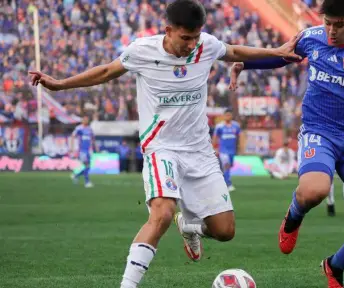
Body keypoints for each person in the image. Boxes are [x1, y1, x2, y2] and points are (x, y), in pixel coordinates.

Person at [29, 1, 301, 287]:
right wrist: (59, 84)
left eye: (196, 37)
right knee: (161, 215)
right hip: (162, 148)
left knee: (225, 230)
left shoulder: (205, 45)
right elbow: (106, 72)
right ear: (168, 31)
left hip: (200, 151)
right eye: (185, 38)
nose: (191, 44)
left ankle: (189, 225)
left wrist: (275, 52)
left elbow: (233, 51)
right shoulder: (141, 51)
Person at [229, 0, 344, 286]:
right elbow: (281, 56)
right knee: (314, 191)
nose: (331, 30)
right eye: (328, 22)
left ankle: (335, 266)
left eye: (339, 24)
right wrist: (247, 64)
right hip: (320, 131)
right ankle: (293, 217)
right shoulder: (311, 37)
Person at [212, 108, 241, 191]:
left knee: (229, 166)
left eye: (229, 115)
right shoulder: (219, 126)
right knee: (226, 166)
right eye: (226, 115)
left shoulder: (236, 126)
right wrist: (214, 148)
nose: (228, 116)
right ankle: (228, 184)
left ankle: (222, 181)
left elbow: (239, 137)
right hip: (223, 151)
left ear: (232, 116)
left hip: (232, 150)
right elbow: (215, 138)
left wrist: (240, 148)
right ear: (224, 116)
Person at [70, 115, 95, 188]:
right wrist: (72, 148)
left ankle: (75, 175)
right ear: (82, 120)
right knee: (87, 165)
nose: (86, 120)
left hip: (89, 150)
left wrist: (96, 147)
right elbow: (72, 136)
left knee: (88, 167)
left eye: (87, 119)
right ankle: (87, 182)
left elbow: (93, 139)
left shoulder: (90, 129)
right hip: (82, 150)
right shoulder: (79, 128)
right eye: (84, 119)